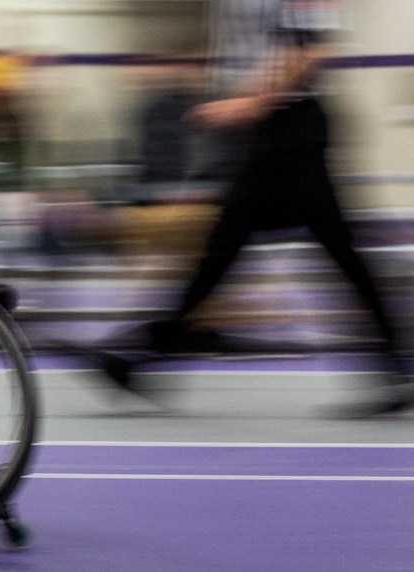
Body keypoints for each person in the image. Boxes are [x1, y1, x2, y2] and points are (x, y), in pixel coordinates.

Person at [104, 0, 413, 415]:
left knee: (239, 249)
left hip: (290, 131)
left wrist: (247, 105)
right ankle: (148, 355)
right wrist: (238, 102)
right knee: (242, 250)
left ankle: (147, 355)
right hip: (272, 130)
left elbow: (308, 51)